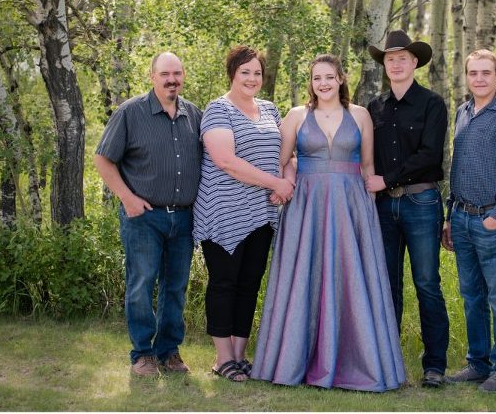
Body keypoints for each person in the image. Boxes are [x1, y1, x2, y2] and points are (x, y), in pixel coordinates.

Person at [252, 54, 406, 392]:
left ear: (341, 79)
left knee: (349, 277)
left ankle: (357, 361)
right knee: (306, 275)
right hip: (307, 205)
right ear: (311, 81)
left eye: (329, 77)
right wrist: (282, 188)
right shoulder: (295, 116)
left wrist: (367, 210)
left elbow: (367, 165)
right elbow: (281, 161)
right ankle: (295, 359)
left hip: (350, 205)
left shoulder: (360, 115)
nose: (323, 83)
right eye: (316, 78)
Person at [94, 52, 202, 377]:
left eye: (177, 73)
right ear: (152, 76)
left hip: (183, 218)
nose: (172, 79)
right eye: (165, 73)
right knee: (141, 283)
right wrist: (127, 197)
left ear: (183, 76)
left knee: (176, 287)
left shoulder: (194, 114)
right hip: (144, 217)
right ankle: (142, 354)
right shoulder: (131, 113)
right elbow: (103, 159)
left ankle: (168, 352)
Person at [192, 45, 294, 382]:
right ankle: (222, 359)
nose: (252, 78)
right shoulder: (218, 110)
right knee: (224, 283)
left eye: (257, 73)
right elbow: (226, 161)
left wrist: (287, 182)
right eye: (245, 72)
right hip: (225, 212)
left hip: (262, 213)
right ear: (232, 73)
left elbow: (287, 155)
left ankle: (239, 355)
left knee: (249, 284)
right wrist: (275, 183)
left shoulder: (269, 110)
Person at [442, 49, 496, 393]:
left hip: (492, 220)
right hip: (462, 219)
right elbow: (457, 168)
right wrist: (451, 217)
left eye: (486, 73)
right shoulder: (463, 112)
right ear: (467, 77)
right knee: (471, 296)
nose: (479, 78)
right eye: (473, 73)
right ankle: (478, 364)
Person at [365, 30, 450, 388]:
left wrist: (387, 179)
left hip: (421, 201)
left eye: (402, 57)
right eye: (389, 58)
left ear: (415, 62)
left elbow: (430, 154)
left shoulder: (432, 104)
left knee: (427, 282)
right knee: (387, 284)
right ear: (384, 65)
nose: (396, 63)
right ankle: (388, 361)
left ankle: (434, 366)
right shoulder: (374, 107)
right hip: (384, 207)